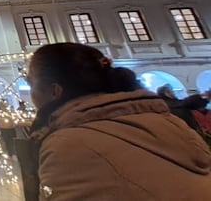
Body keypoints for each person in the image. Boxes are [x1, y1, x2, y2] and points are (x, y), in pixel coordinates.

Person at [17, 43, 211, 200]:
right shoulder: (170, 122)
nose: (31, 91)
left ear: (54, 91)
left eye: (30, 82)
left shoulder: (68, 144)